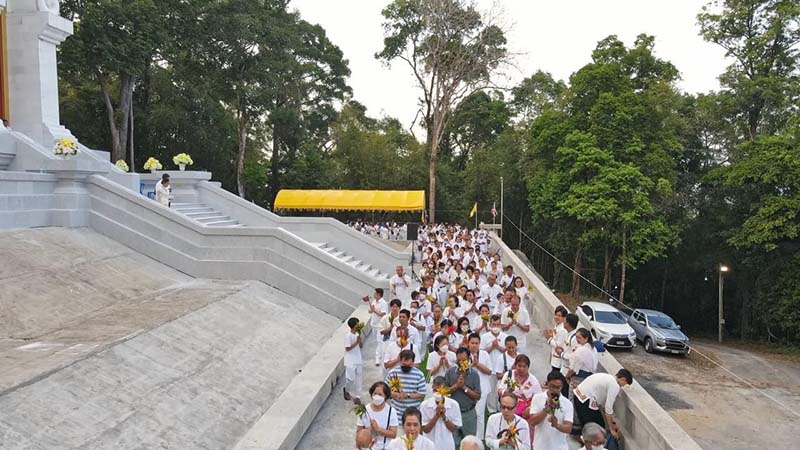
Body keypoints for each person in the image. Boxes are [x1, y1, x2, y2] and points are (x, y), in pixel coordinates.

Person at [572, 369, 633, 440]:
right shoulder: (615, 385)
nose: (622, 386)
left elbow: (605, 407)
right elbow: (608, 408)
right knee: (596, 427)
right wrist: (612, 429)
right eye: (625, 384)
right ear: (623, 379)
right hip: (585, 400)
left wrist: (613, 423)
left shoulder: (607, 377)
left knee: (592, 425)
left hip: (579, 395)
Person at [445, 347, 482, 447]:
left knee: (469, 444)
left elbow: (478, 395)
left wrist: (464, 388)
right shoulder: (450, 372)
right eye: (459, 360)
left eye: (464, 360)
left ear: (469, 359)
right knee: (453, 443)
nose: (461, 363)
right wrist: (456, 386)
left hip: (468, 413)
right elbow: (444, 392)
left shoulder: (474, 374)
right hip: (453, 413)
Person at [529, 371, 574, 450]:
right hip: (540, 446)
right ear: (547, 384)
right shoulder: (537, 398)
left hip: (559, 447)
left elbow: (568, 428)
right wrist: (547, 408)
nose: (555, 390)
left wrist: (557, 425)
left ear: (562, 386)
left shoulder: (567, 403)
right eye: (552, 386)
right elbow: (532, 421)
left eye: (558, 387)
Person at [420, 376, 462, 450]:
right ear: (432, 388)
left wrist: (444, 417)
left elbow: (454, 429)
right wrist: (436, 416)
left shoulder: (454, 405)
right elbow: (426, 429)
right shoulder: (424, 405)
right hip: (429, 445)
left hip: (446, 445)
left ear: (445, 390)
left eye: (440, 391)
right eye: (436, 390)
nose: (438, 393)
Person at [385, 350, 427, 421]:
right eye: (404, 365)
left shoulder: (419, 375)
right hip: (396, 413)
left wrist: (407, 395)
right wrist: (396, 395)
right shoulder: (392, 373)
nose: (406, 367)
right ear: (400, 361)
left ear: (413, 362)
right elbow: (385, 391)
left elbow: (422, 394)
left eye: (409, 365)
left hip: (413, 413)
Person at [356, 381, 398, 450]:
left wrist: (378, 429)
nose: (377, 396)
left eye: (380, 394)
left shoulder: (391, 412)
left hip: (385, 447)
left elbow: (393, 434)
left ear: (386, 397)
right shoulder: (364, 411)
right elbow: (358, 432)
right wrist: (369, 430)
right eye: (375, 393)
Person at [467, 333, 493, 441]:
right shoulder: (464, 354)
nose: (474, 345)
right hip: (467, 388)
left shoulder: (485, 354)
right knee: (469, 413)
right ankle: (468, 436)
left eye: (476, 343)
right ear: (468, 343)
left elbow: (489, 371)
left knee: (480, 414)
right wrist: (470, 366)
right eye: (472, 343)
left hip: (482, 387)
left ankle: (479, 439)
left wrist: (477, 364)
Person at [364, 288, 388, 366]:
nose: (373, 295)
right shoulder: (374, 301)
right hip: (374, 324)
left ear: (378, 294)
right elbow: (370, 311)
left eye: (375, 293)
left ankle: (378, 359)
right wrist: (371, 310)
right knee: (377, 342)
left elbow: (383, 314)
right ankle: (380, 356)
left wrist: (374, 310)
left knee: (379, 342)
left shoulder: (383, 303)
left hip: (380, 326)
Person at [344, 317, 364, 402]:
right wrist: (356, 342)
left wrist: (359, 340)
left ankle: (358, 396)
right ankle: (346, 390)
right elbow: (347, 348)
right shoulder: (348, 336)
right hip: (350, 360)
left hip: (358, 359)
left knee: (359, 378)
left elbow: (361, 346)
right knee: (351, 378)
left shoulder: (357, 335)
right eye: (357, 324)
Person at [545, 306, 569, 372]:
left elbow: (559, 345)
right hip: (554, 357)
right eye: (556, 315)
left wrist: (549, 339)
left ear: (564, 318)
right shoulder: (557, 326)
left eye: (559, 316)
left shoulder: (562, 330)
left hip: (558, 361)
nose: (556, 317)